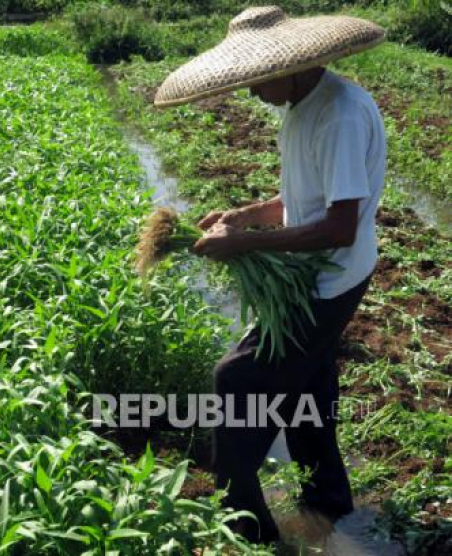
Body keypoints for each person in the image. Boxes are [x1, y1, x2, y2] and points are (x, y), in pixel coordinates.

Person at [153, 6, 387, 545]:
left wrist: (246, 244)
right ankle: (326, 500)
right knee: (308, 384)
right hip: (317, 273)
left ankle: (245, 523)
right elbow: (302, 200)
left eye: (259, 79)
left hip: (331, 279)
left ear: (295, 65)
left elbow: (340, 225)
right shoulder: (301, 107)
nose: (253, 91)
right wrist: (245, 216)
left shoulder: (340, 115)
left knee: (236, 379)